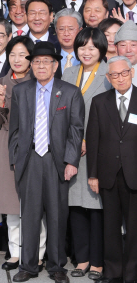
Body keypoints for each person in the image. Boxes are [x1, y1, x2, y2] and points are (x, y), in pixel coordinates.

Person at [8, 41, 85, 283]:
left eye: (46, 62)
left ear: (55, 65)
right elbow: (15, 129)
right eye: (37, 61)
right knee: (29, 216)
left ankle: (56, 266)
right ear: (31, 65)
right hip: (29, 159)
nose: (41, 65)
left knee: (56, 215)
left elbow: (76, 129)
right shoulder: (21, 91)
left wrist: (71, 161)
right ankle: (28, 266)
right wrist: (15, 156)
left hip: (56, 161)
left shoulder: (70, 92)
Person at [0, 36, 47, 272]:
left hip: (35, 145)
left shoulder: (41, 81)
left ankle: (38, 253)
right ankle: (15, 253)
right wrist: (0, 101)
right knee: (12, 204)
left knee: (36, 205)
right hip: (7, 144)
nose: (17, 59)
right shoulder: (0, 83)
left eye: (22, 55)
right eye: (12, 55)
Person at [62, 27, 110, 280]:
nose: (87, 52)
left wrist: (89, 141)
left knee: (96, 207)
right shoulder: (69, 73)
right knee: (75, 207)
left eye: (92, 47)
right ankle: (82, 260)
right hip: (71, 150)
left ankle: (98, 262)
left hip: (98, 150)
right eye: (82, 47)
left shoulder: (108, 74)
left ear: (101, 49)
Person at [86, 56, 137, 283]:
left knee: (135, 229)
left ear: (131, 73)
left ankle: (132, 274)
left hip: (135, 174)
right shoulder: (99, 101)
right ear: (108, 78)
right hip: (108, 174)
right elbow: (93, 139)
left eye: (124, 73)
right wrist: (93, 174)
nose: (120, 78)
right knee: (110, 228)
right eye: (114, 75)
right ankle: (113, 272)